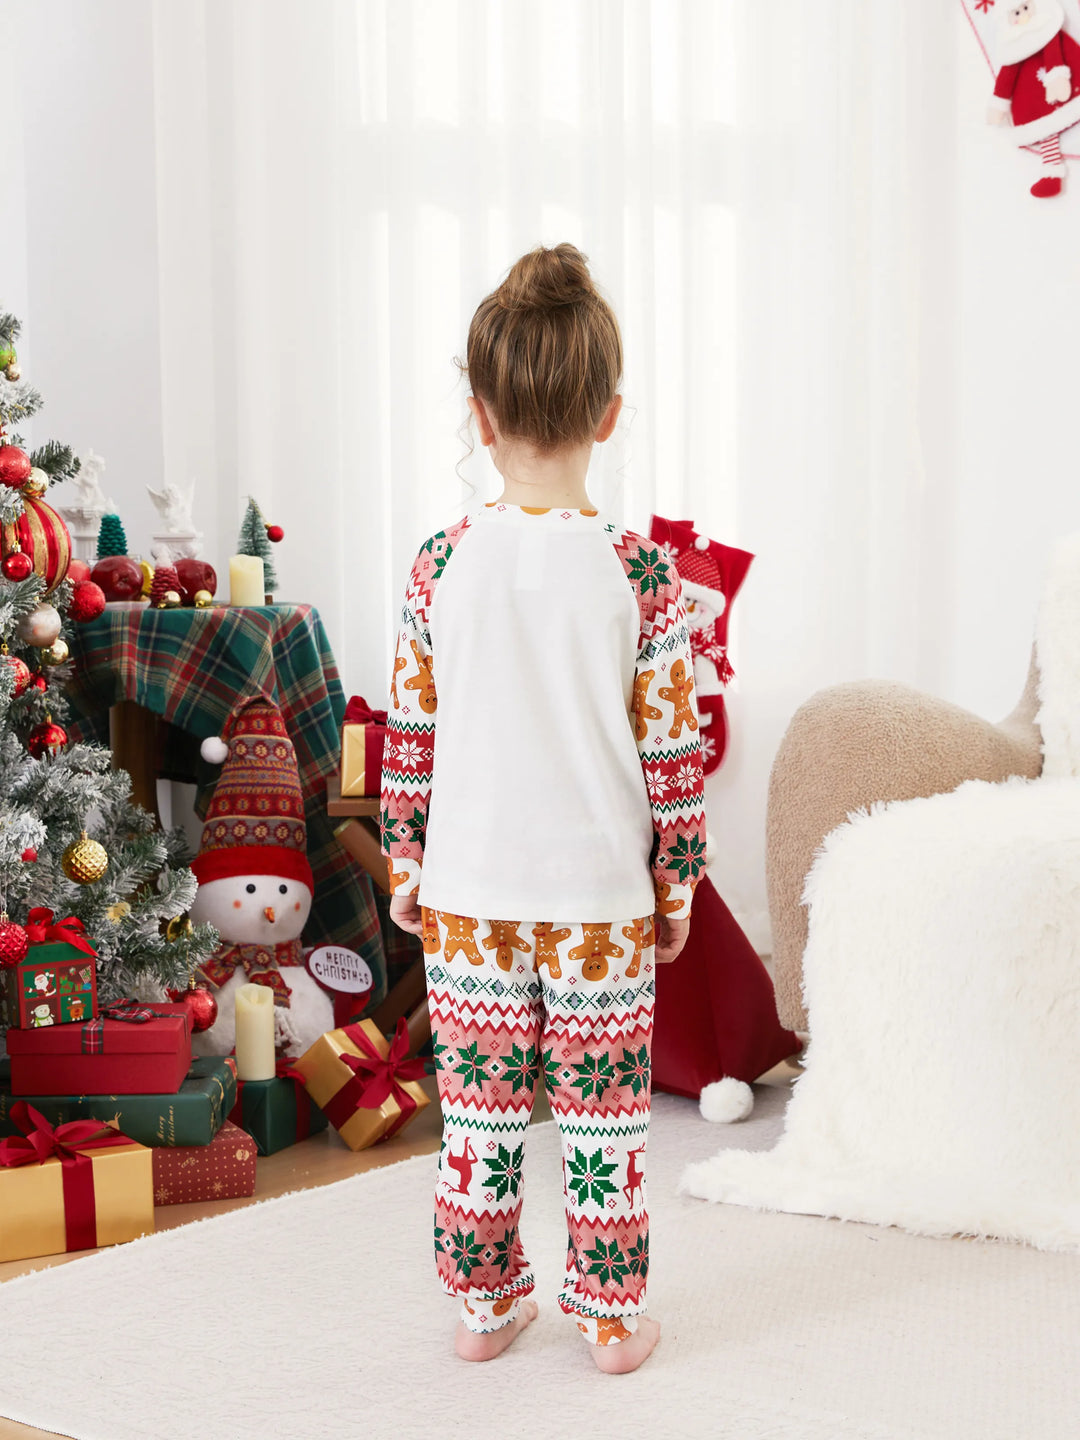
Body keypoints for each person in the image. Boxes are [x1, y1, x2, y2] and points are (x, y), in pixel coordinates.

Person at [380, 243, 706, 1374]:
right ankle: (610, 1321)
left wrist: (405, 869)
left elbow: (408, 743)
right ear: (609, 416)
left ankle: (483, 1308)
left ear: (478, 413)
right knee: (604, 1119)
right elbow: (674, 753)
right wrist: (678, 883)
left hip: (469, 892)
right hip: (600, 898)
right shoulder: (643, 575)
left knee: (480, 1117)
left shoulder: (435, 567)